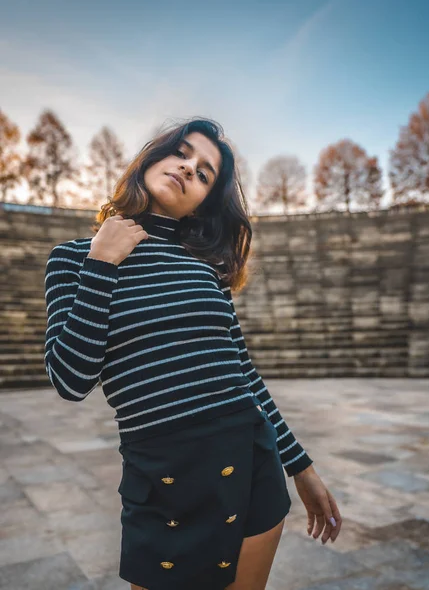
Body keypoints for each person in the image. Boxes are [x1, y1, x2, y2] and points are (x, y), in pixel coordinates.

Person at [44, 117, 342, 590]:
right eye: (182, 153)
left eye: (204, 174)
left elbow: (244, 374)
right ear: (152, 158)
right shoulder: (73, 258)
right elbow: (70, 379)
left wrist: (301, 469)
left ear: (205, 200)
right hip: (163, 480)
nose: (188, 170)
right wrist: (101, 263)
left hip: (250, 461)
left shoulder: (204, 269)